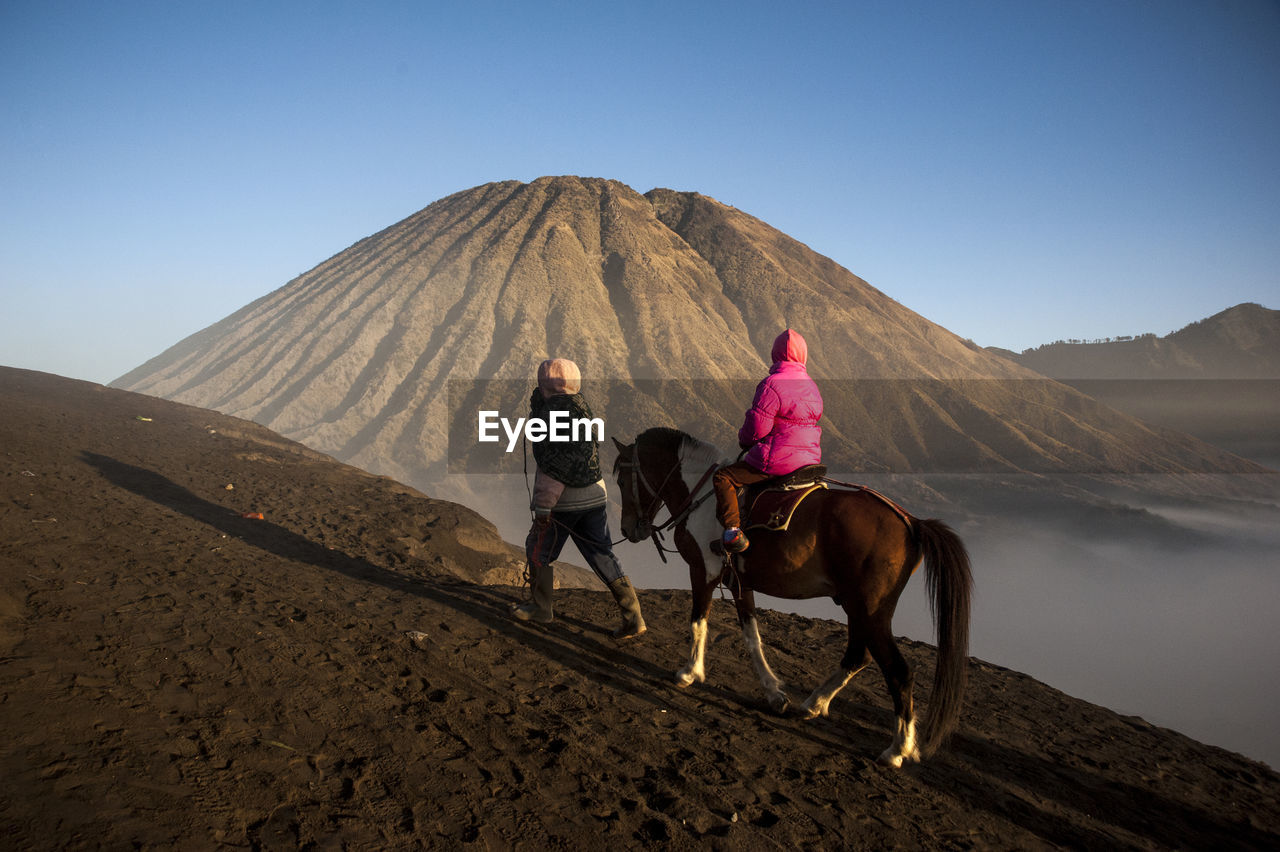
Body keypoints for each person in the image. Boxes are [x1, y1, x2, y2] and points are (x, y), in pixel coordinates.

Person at [512, 357, 646, 639]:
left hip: (563, 502)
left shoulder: (552, 417)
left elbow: (553, 467)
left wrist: (543, 508)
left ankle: (541, 607)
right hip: (595, 497)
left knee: (538, 549)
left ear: (544, 385)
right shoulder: (580, 407)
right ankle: (633, 616)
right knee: (601, 553)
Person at [713, 329, 824, 552]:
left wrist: (745, 441)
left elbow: (756, 429)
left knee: (723, 477)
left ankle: (733, 533)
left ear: (775, 354)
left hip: (777, 460)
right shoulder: (812, 385)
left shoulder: (771, 384)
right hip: (810, 459)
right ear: (803, 355)